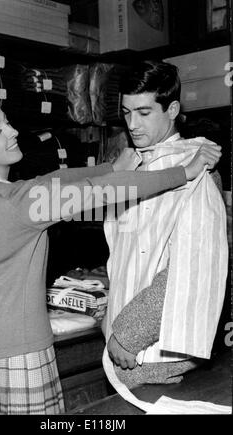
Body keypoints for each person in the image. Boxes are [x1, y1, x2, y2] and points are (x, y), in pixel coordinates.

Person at [0, 89, 221, 415]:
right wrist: (183, 173)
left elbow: (51, 179)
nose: (13, 131)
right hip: (17, 359)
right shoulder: (15, 204)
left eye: (6, 122)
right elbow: (96, 194)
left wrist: (110, 167)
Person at [103, 60, 228, 390]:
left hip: (157, 356)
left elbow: (190, 267)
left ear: (172, 109)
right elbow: (123, 253)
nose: (133, 124)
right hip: (120, 345)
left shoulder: (197, 168)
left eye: (144, 113)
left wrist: (129, 333)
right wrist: (110, 317)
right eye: (127, 112)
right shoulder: (132, 165)